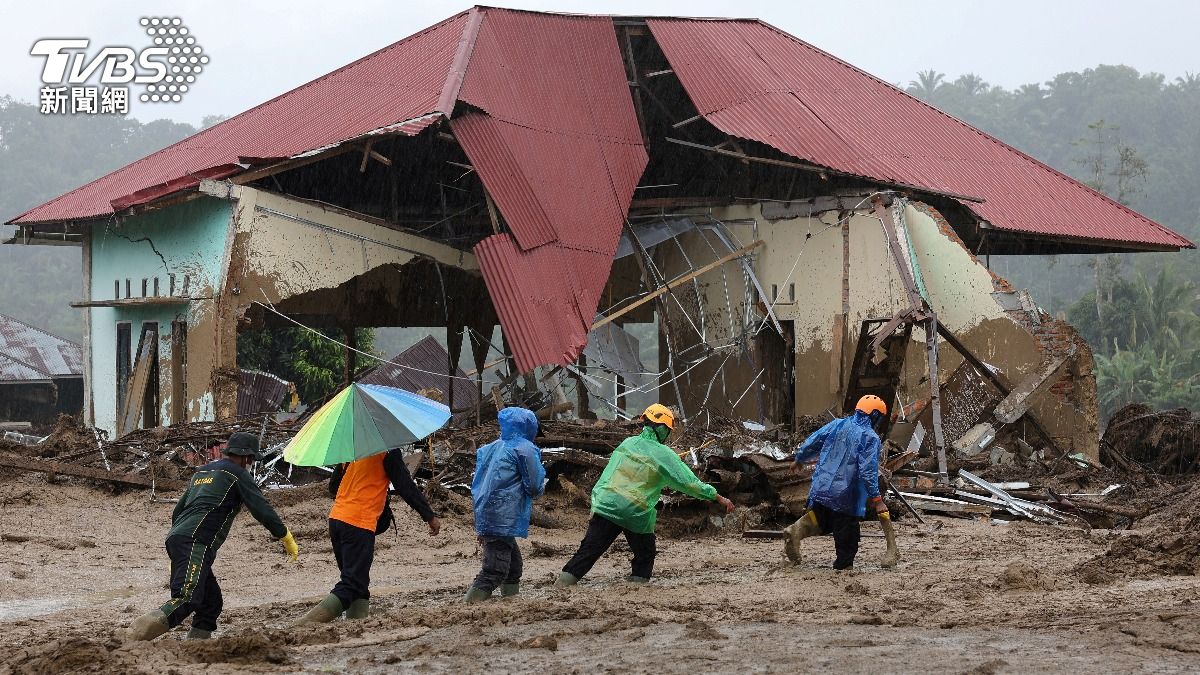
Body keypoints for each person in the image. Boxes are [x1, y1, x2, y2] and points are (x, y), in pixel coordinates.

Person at [127, 432, 298, 641]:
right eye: (252, 459)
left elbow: (179, 510)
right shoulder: (238, 474)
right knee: (187, 597)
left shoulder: (202, 472)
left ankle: (196, 646)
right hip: (196, 541)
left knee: (211, 603)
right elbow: (261, 508)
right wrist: (285, 536)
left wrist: (177, 552)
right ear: (246, 457)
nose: (252, 464)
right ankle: (133, 636)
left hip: (178, 536)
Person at [557, 404, 734, 586]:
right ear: (663, 429)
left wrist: (596, 504)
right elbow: (690, 484)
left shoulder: (628, 443)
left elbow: (608, 475)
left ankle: (562, 585)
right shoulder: (665, 454)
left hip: (607, 504)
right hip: (635, 511)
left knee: (588, 551)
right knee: (645, 553)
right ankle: (637, 587)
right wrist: (718, 497)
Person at [295, 445, 441, 623]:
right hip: (358, 523)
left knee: (359, 583)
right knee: (352, 584)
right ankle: (300, 626)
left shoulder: (353, 449)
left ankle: (356, 627)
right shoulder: (387, 450)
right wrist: (429, 516)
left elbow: (333, 487)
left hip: (337, 520)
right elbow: (405, 486)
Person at [782, 394, 897, 570]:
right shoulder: (870, 437)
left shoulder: (838, 424)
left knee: (822, 519)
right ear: (875, 415)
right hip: (845, 494)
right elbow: (867, 471)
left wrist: (800, 458)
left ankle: (796, 530)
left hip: (821, 486)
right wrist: (877, 499)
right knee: (847, 537)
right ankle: (843, 569)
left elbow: (815, 439)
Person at [464, 407, 546, 602]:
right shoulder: (525, 449)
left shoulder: (490, 448)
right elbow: (534, 486)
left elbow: (479, 483)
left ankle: (510, 605)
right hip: (504, 514)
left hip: (486, 510)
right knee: (495, 569)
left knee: (513, 567)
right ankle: (469, 606)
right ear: (530, 427)